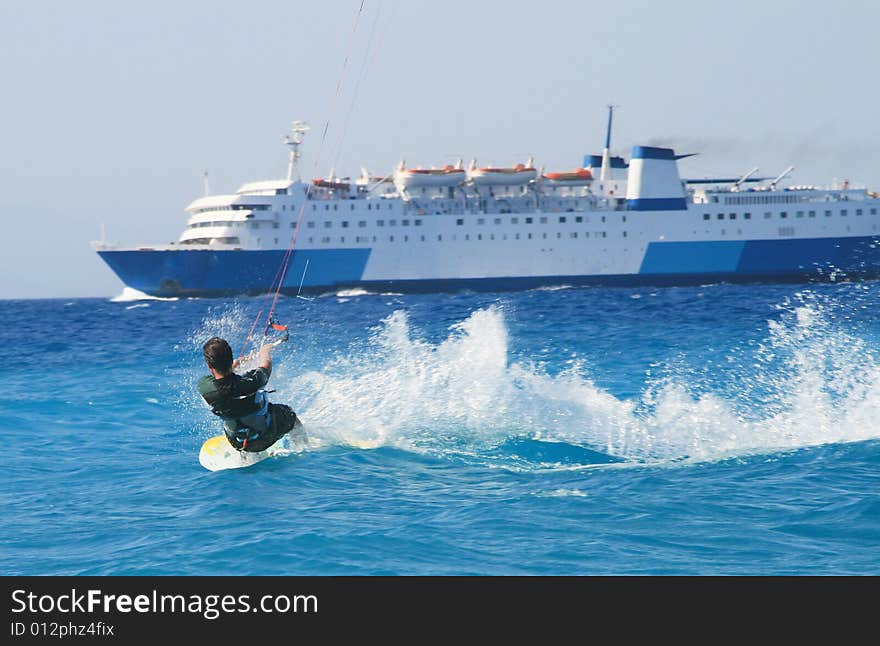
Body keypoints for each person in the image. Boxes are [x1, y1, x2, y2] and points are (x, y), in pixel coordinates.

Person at [198, 337, 305, 452]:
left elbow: (223, 381)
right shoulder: (253, 381)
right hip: (267, 435)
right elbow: (266, 366)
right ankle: (303, 445)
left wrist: (236, 364)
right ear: (230, 359)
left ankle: (246, 458)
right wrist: (265, 352)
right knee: (289, 414)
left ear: (209, 366)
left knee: (236, 421)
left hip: (238, 443)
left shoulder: (205, 388)